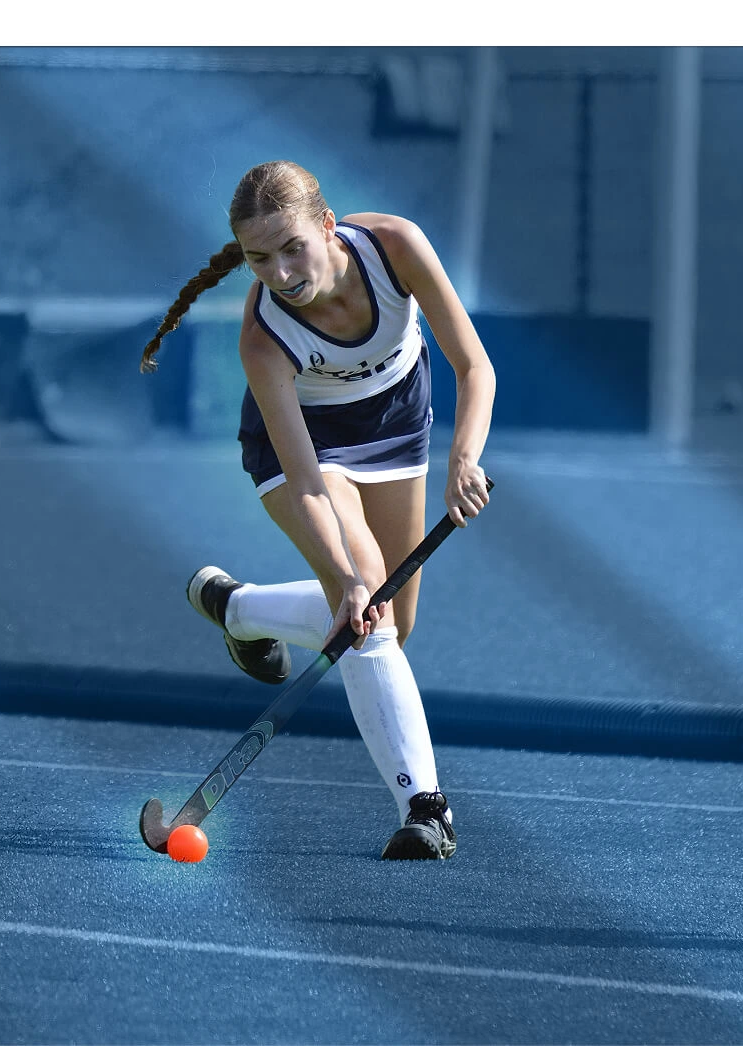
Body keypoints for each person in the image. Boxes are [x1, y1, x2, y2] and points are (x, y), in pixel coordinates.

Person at [140, 160, 495, 860]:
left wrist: (463, 460)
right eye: (259, 258)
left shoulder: (396, 247)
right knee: (369, 613)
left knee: (395, 622)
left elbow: (473, 365)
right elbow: (306, 483)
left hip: (396, 424)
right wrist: (347, 575)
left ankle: (238, 609)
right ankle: (426, 809)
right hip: (304, 447)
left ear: (328, 226)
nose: (279, 273)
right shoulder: (263, 337)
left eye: (292, 248)